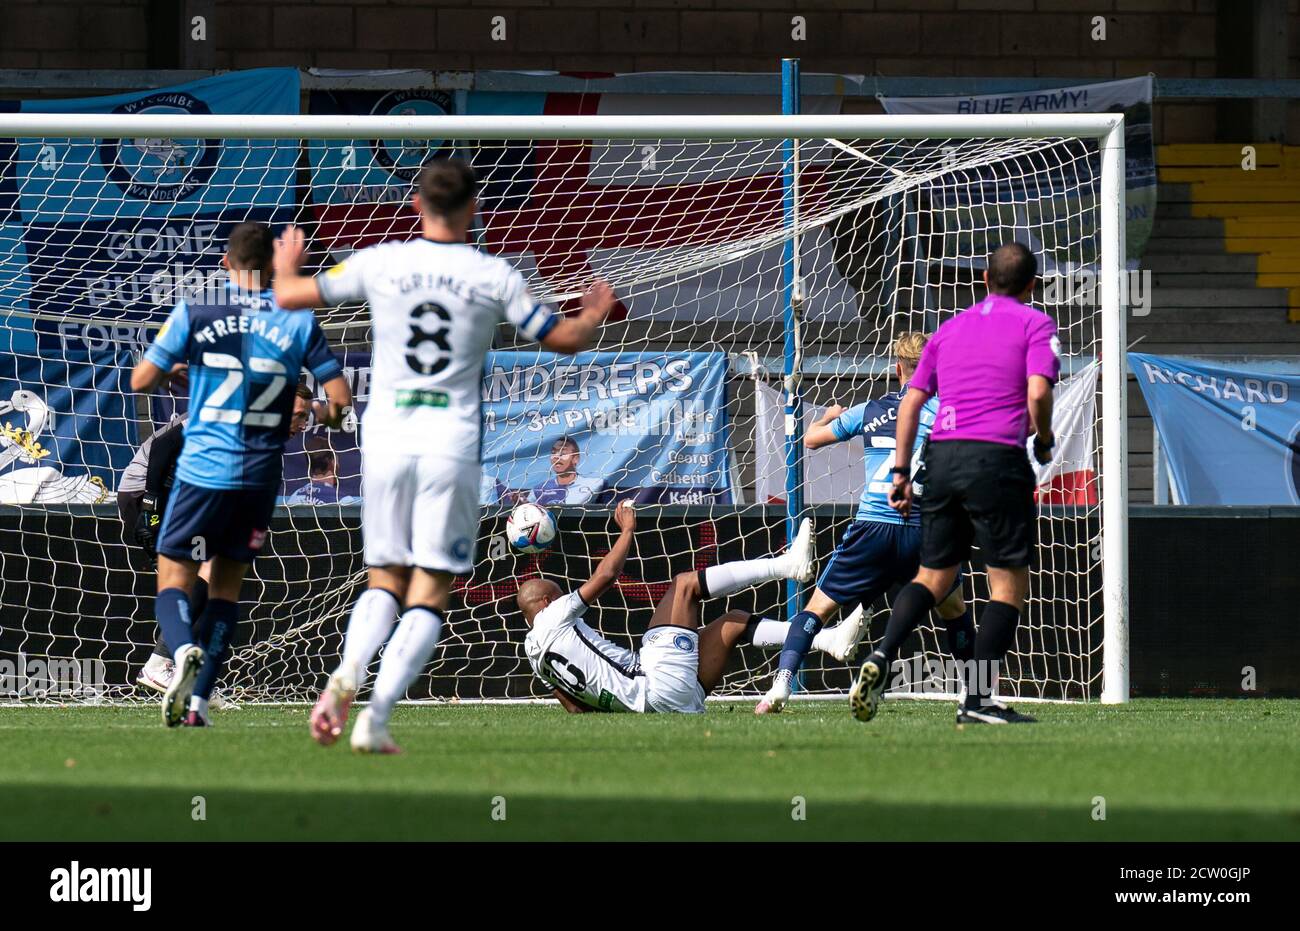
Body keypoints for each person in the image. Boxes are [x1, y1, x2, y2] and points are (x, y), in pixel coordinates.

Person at [273, 157, 617, 753]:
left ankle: (345, 676)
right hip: (447, 446)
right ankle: (375, 718)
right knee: (429, 592)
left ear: (415, 205)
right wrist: (591, 309)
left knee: (383, 580)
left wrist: (285, 264)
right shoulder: (494, 275)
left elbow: (289, 295)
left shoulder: (384, 261)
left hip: (384, 440)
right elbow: (563, 339)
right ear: (474, 209)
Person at [130, 221, 352, 728]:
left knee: (175, 576)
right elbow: (340, 407)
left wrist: (178, 369)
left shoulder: (196, 313)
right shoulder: (296, 321)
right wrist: (304, 413)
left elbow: (141, 379)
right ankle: (199, 706)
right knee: (226, 589)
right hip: (258, 477)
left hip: (204, 469)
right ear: (275, 266)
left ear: (226, 264)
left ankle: (179, 650)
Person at [851, 242, 1058, 725]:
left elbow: (910, 403)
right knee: (1006, 586)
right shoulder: (1035, 324)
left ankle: (881, 655)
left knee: (933, 578)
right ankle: (978, 702)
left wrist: (901, 473)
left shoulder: (949, 329)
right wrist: (1043, 439)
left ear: (984, 279)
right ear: (1031, 286)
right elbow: (1039, 391)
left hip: (941, 460)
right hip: (997, 461)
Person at [755, 332, 971, 715]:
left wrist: (827, 417)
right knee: (953, 610)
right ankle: (974, 693)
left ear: (897, 369)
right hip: (925, 530)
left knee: (816, 610)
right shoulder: (948, 413)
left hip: (874, 526)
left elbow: (811, 440)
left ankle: (780, 687)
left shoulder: (872, 410)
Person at [519, 504, 862, 714]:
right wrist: (627, 530)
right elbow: (606, 576)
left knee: (734, 623)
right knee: (685, 585)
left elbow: (575, 708)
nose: (564, 595)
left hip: (669, 701)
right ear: (547, 602)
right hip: (653, 681)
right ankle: (786, 565)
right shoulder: (553, 614)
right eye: (558, 592)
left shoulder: (533, 654)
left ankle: (825, 640)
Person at [120, 382, 313, 695]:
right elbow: (164, 446)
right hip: (146, 491)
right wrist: (150, 506)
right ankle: (162, 665)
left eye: (305, 417)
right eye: (298, 414)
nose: (303, 424)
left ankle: (179, 672)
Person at [527, 436, 605, 505]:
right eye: (553, 453)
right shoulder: (539, 490)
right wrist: (522, 503)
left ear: (576, 458)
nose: (556, 457)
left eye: (563, 453)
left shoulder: (595, 484)